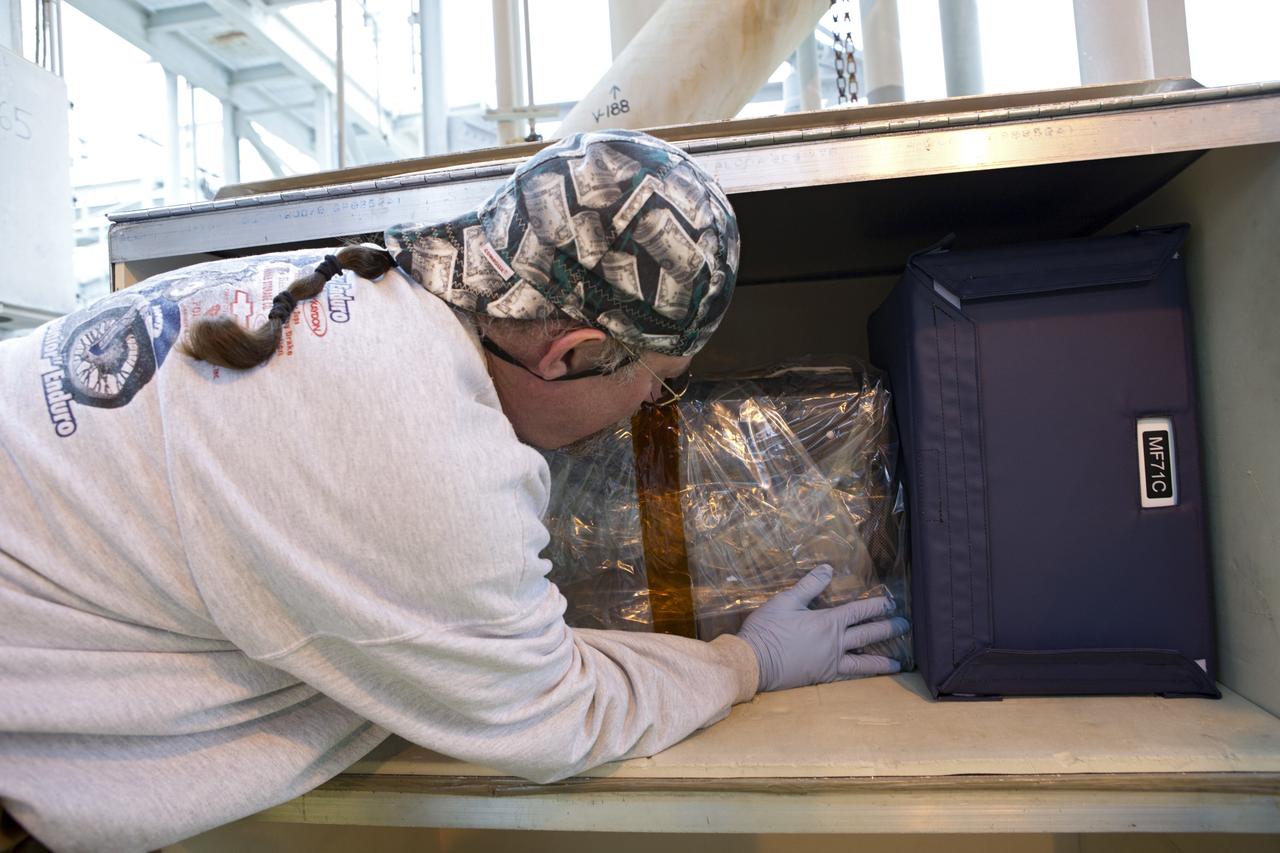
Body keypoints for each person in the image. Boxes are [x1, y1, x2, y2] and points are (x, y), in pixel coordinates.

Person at [0, 129, 908, 852]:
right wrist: (749, 665)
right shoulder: (422, 446)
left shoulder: (368, 290)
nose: (648, 408)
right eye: (658, 381)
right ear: (574, 353)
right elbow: (557, 717)